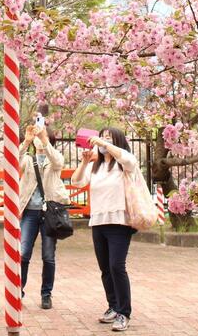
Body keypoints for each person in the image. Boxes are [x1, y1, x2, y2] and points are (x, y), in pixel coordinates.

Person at [70, 127, 139, 332]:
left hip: (119, 222)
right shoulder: (97, 167)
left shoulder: (123, 164)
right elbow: (76, 181)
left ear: (116, 141)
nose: (103, 141)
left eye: (108, 137)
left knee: (117, 266)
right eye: (102, 137)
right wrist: (84, 161)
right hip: (98, 222)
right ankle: (113, 306)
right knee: (105, 269)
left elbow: (129, 160)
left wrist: (104, 144)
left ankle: (124, 312)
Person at [17, 107, 70, 310]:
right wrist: (27, 141)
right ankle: (18, 290)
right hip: (30, 212)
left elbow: (58, 160)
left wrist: (44, 138)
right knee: (23, 253)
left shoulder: (54, 160)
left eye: (42, 137)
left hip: (49, 213)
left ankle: (46, 294)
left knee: (48, 255)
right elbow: (12, 163)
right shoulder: (28, 160)